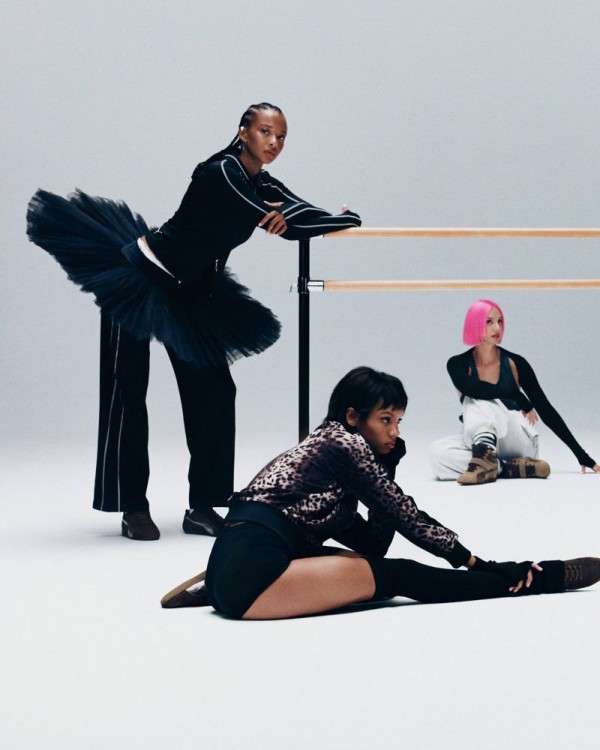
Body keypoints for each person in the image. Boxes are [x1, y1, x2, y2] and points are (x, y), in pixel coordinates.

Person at [26, 102, 361, 541]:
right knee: (129, 393)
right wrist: (287, 217)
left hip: (192, 292)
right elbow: (271, 217)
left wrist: (340, 217)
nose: (274, 143)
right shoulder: (220, 172)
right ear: (243, 132)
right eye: (265, 132)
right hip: (142, 279)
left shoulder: (263, 181)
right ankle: (133, 507)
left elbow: (302, 212)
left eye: (281, 136)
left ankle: (202, 506)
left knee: (216, 392)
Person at [160, 366, 600, 619]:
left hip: (239, 562)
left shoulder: (323, 460)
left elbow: (373, 542)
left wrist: (385, 469)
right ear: (354, 417)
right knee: (401, 576)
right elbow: (407, 517)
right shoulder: (344, 445)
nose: (394, 432)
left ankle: (213, 584)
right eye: (385, 420)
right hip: (253, 582)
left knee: (373, 569)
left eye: (399, 421)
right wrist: (479, 562)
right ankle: (534, 578)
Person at [429, 299, 600, 485]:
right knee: (437, 454)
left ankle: (488, 463)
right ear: (474, 324)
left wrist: (581, 454)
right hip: (482, 439)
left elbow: (546, 409)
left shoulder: (515, 363)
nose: (497, 327)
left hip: (517, 439)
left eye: (500, 321)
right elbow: (472, 388)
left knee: (478, 401)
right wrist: (516, 394)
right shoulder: (457, 364)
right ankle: (505, 467)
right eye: (489, 321)